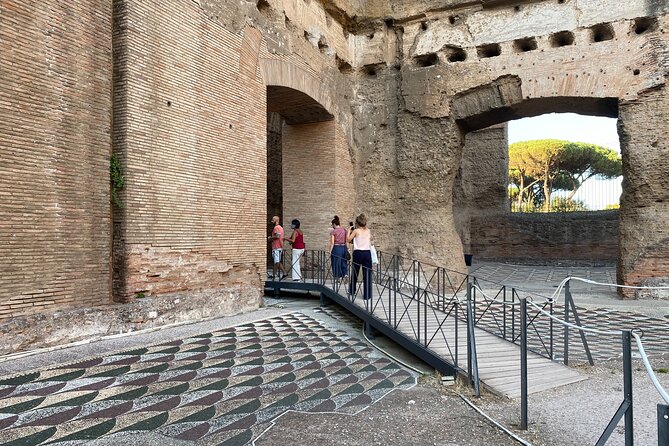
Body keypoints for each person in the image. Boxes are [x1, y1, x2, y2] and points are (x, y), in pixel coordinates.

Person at [347, 213, 372, 301]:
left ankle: (352, 290)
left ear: (357, 223)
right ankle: (367, 295)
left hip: (358, 253)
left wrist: (348, 231)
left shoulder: (356, 231)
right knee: (367, 274)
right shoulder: (368, 231)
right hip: (367, 253)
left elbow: (348, 240)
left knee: (355, 272)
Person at [268, 216, 287, 280]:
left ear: (276, 220)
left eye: (273, 220)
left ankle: (275, 274)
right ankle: (282, 273)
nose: (272, 221)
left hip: (276, 246)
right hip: (279, 246)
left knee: (277, 261)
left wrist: (270, 238)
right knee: (277, 261)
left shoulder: (276, 227)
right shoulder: (281, 228)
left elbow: (277, 236)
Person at [329, 216, 348, 280]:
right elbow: (346, 241)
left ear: (334, 224)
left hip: (336, 248)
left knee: (336, 262)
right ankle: (345, 274)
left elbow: (332, 242)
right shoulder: (344, 230)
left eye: (332, 224)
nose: (332, 226)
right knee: (343, 262)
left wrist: (330, 251)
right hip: (344, 247)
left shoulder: (334, 232)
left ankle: (337, 277)